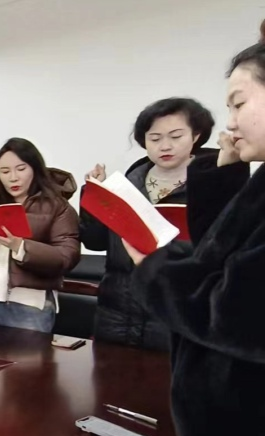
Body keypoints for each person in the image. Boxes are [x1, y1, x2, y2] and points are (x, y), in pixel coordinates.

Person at [124, 41, 263, 436]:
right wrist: (227, 171)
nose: (230, 119)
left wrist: (153, 265)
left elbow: (234, 306)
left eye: (239, 102)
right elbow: (219, 255)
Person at [80, 98, 216, 350]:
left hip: (174, 315)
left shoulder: (212, 186)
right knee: (110, 374)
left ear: (196, 136)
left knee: (164, 375)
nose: (165, 146)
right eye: (155, 138)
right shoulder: (128, 184)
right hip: (116, 312)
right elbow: (94, 241)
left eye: (176, 136)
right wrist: (94, 194)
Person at [0, 138, 80, 333]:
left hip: (30, 304)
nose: (13, 178)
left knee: (30, 354)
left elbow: (67, 256)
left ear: (35, 168)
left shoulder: (57, 207)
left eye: (21, 169)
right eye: (4, 172)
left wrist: (21, 247)